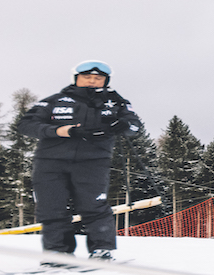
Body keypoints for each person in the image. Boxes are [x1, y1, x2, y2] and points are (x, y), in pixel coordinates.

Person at [15, 60, 145, 258]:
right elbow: (26, 125)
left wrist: (123, 125)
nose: (92, 81)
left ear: (105, 81)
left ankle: (101, 250)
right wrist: (61, 131)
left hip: (93, 162)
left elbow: (135, 127)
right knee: (52, 208)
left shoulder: (116, 102)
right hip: (50, 162)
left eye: (98, 78)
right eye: (87, 77)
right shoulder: (55, 100)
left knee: (94, 206)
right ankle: (57, 252)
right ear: (76, 78)